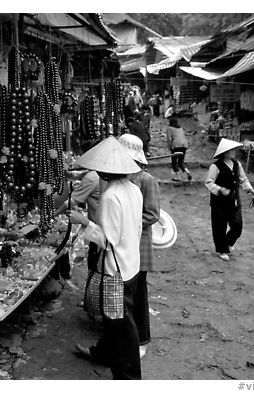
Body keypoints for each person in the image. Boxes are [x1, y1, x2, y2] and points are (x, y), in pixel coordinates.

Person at [68, 136, 143, 380]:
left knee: (120, 327)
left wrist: (84, 222)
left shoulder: (111, 196)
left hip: (115, 271)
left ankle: (127, 377)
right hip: (131, 264)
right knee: (119, 324)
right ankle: (104, 355)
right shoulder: (133, 190)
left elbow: (108, 240)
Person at [118, 134, 160, 359]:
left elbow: (153, 214)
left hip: (140, 245)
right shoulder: (120, 177)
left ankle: (142, 338)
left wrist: (129, 222)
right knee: (125, 294)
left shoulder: (146, 180)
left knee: (139, 294)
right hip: (123, 245)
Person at [53, 140, 101, 287]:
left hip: (97, 224)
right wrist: (66, 173)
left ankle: (92, 296)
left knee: (95, 261)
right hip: (97, 222)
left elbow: (71, 202)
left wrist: (53, 214)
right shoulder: (95, 172)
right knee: (95, 260)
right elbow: (78, 175)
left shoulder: (92, 178)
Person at [205, 138, 254, 261]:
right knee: (219, 226)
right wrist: (219, 189)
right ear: (225, 152)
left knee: (237, 225)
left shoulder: (237, 164)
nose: (234, 152)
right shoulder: (215, 166)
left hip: (234, 200)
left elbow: (243, 179)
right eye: (231, 150)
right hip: (219, 202)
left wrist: (251, 190)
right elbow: (209, 182)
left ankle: (228, 243)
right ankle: (221, 250)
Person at [166, 116, 192, 181]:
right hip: (184, 145)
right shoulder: (180, 128)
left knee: (174, 161)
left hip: (176, 145)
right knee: (181, 161)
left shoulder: (169, 128)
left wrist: (169, 147)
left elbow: (169, 139)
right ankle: (187, 172)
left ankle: (178, 177)